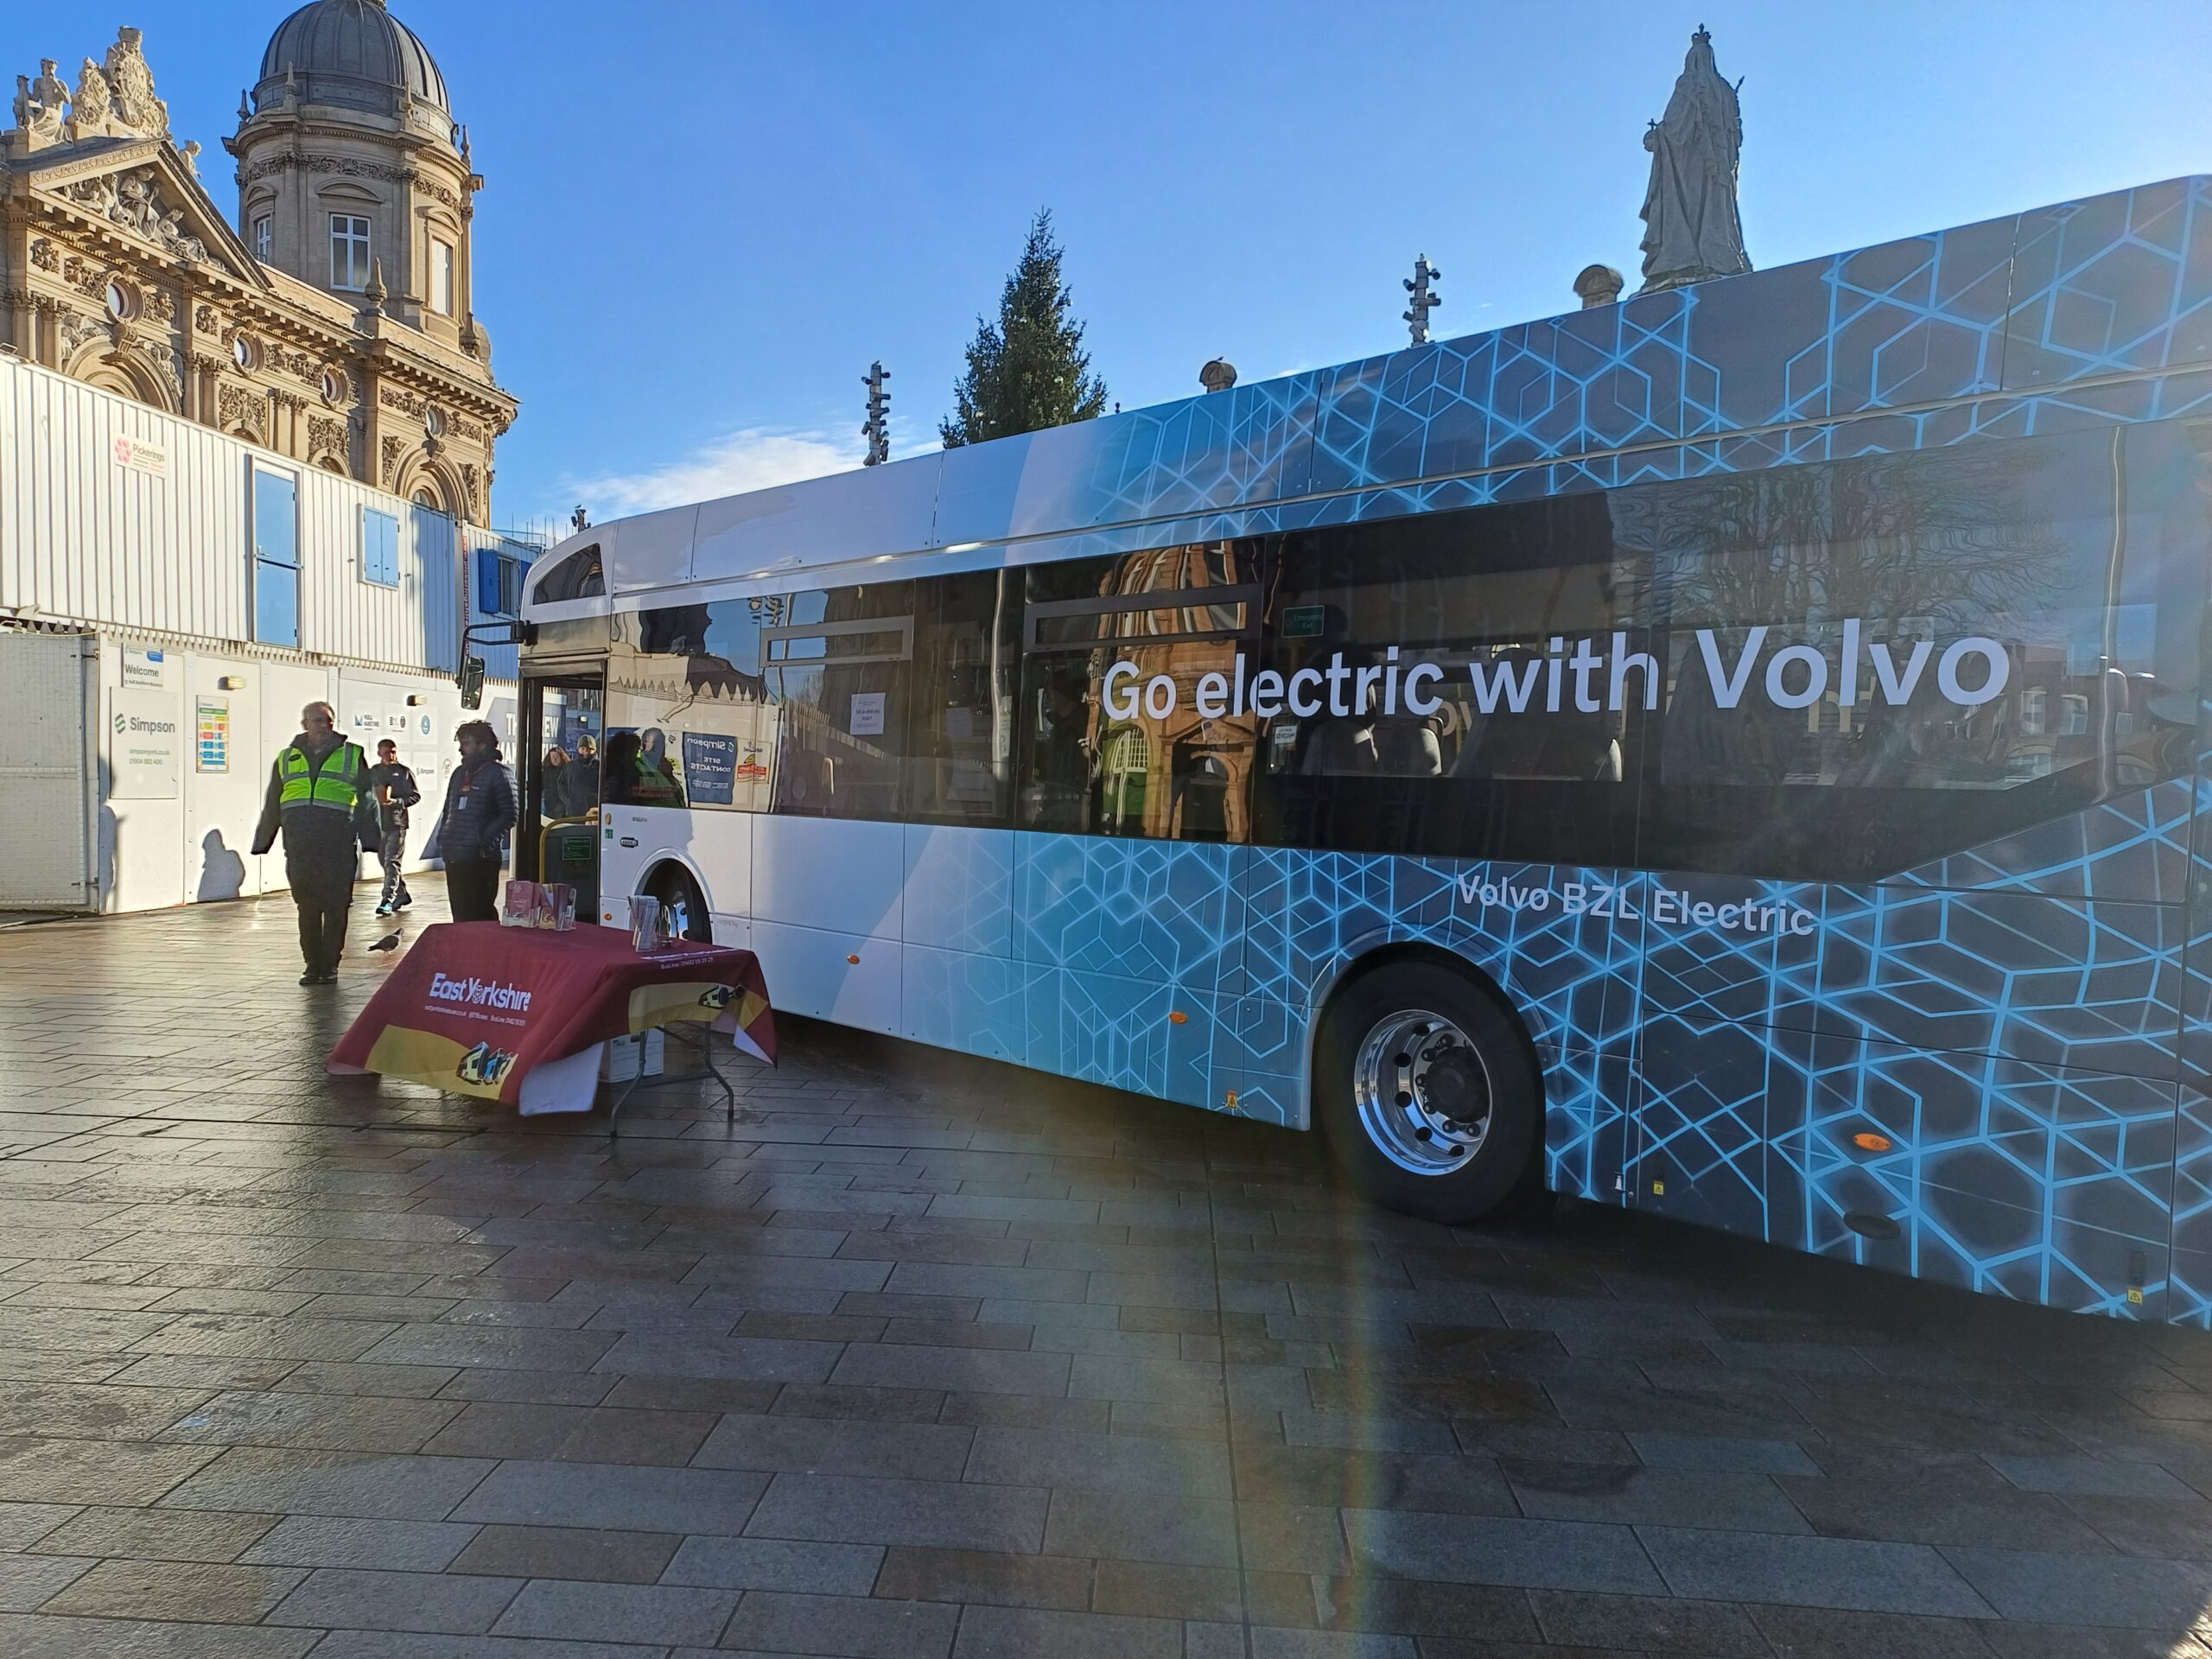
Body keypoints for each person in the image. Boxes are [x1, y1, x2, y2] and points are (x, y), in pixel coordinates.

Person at [251, 701, 376, 985]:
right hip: (300, 845)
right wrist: (263, 840)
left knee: (335, 907)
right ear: (304, 724)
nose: (324, 726)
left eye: (328, 721)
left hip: (337, 845)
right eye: (318, 720)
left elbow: (367, 799)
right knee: (307, 908)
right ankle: (312, 964)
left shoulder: (352, 755)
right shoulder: (286, 758)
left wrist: (371, 838)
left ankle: (330, 965)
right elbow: (273, 802)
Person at [429, 719, 516, 924]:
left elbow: (510, 814)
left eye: (466, 743)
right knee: (460, 915)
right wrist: (444, 838)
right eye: (460, 743)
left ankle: (485, 954)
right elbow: (447, 809)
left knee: (480, 914)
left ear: (482, 745)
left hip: (481, 858)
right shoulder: (460, 774)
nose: (461, 749)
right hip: (455, 856)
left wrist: (483, 840)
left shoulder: (499, 774)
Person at [365, 738, 420, 916]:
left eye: (393, 751)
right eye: (387, 752)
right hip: (377, 824)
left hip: (397, 824)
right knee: (385, 862)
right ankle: (402, 894)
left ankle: (387, 899)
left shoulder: (403, 772)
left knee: (392, 862)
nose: (391, 755)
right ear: (379, 753)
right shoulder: (373, 771)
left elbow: (415, 796)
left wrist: (397, 802)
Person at [543, 743, 572, 817]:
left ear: (562, 757)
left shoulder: (569, 770)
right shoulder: (545, 771)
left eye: (557, 756)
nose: (555, 759)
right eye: (552, 757)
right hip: (549, 806)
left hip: (564, 807)